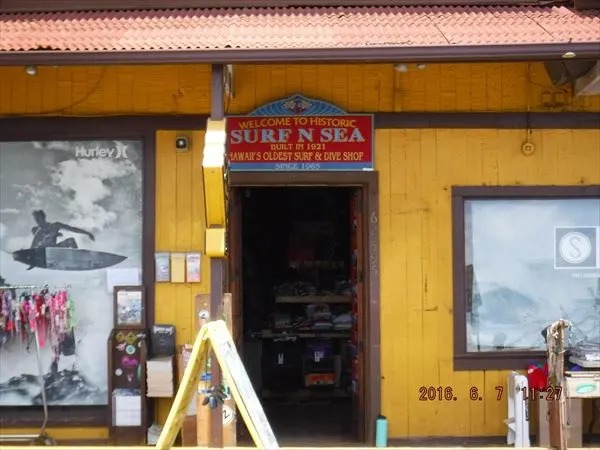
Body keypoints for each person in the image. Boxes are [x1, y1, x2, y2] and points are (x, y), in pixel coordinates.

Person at [27, 210, 95, 269]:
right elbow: (32, 247)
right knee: (41, 240)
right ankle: (49, 261)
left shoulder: (55, 225)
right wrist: (32, 262)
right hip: (44, 254)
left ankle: (77, 259)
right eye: (36, 220)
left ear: (43, 218)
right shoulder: (39, 232)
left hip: (55, 251)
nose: (37, 222)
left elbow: (72, 229)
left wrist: (87, 233)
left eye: (38, 219)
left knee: (71, 241)